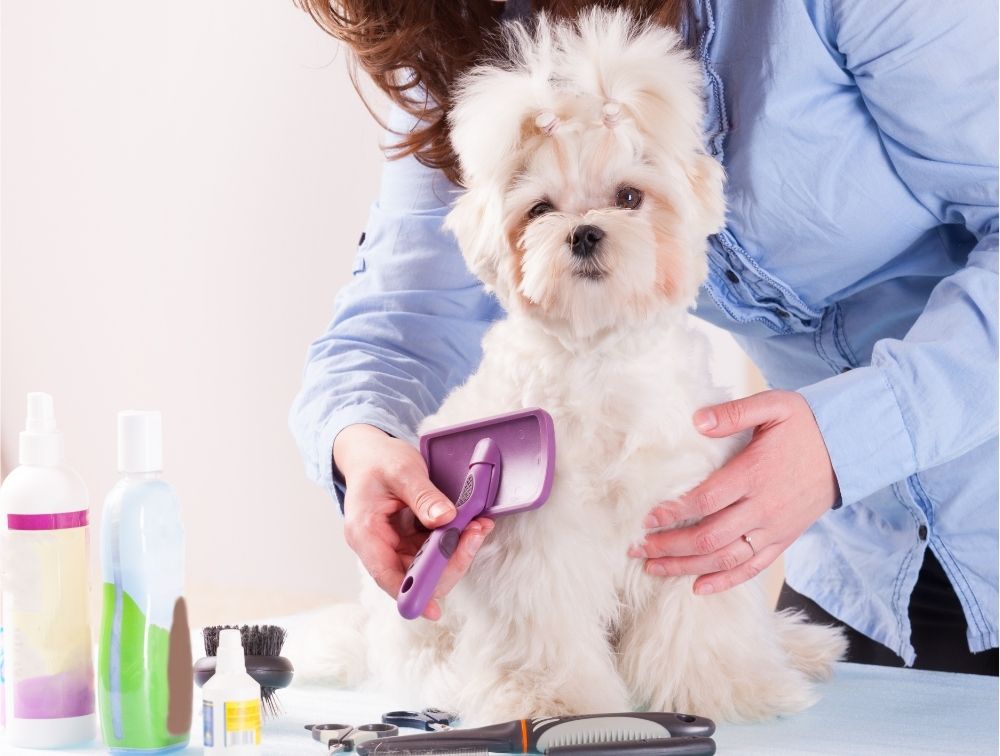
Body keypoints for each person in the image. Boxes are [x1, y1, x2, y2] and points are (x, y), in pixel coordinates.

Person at [290, 0, 998, 674]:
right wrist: (365, 446)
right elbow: (406, 315)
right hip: (858, 574)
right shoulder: (463, 31)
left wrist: (844, 442)